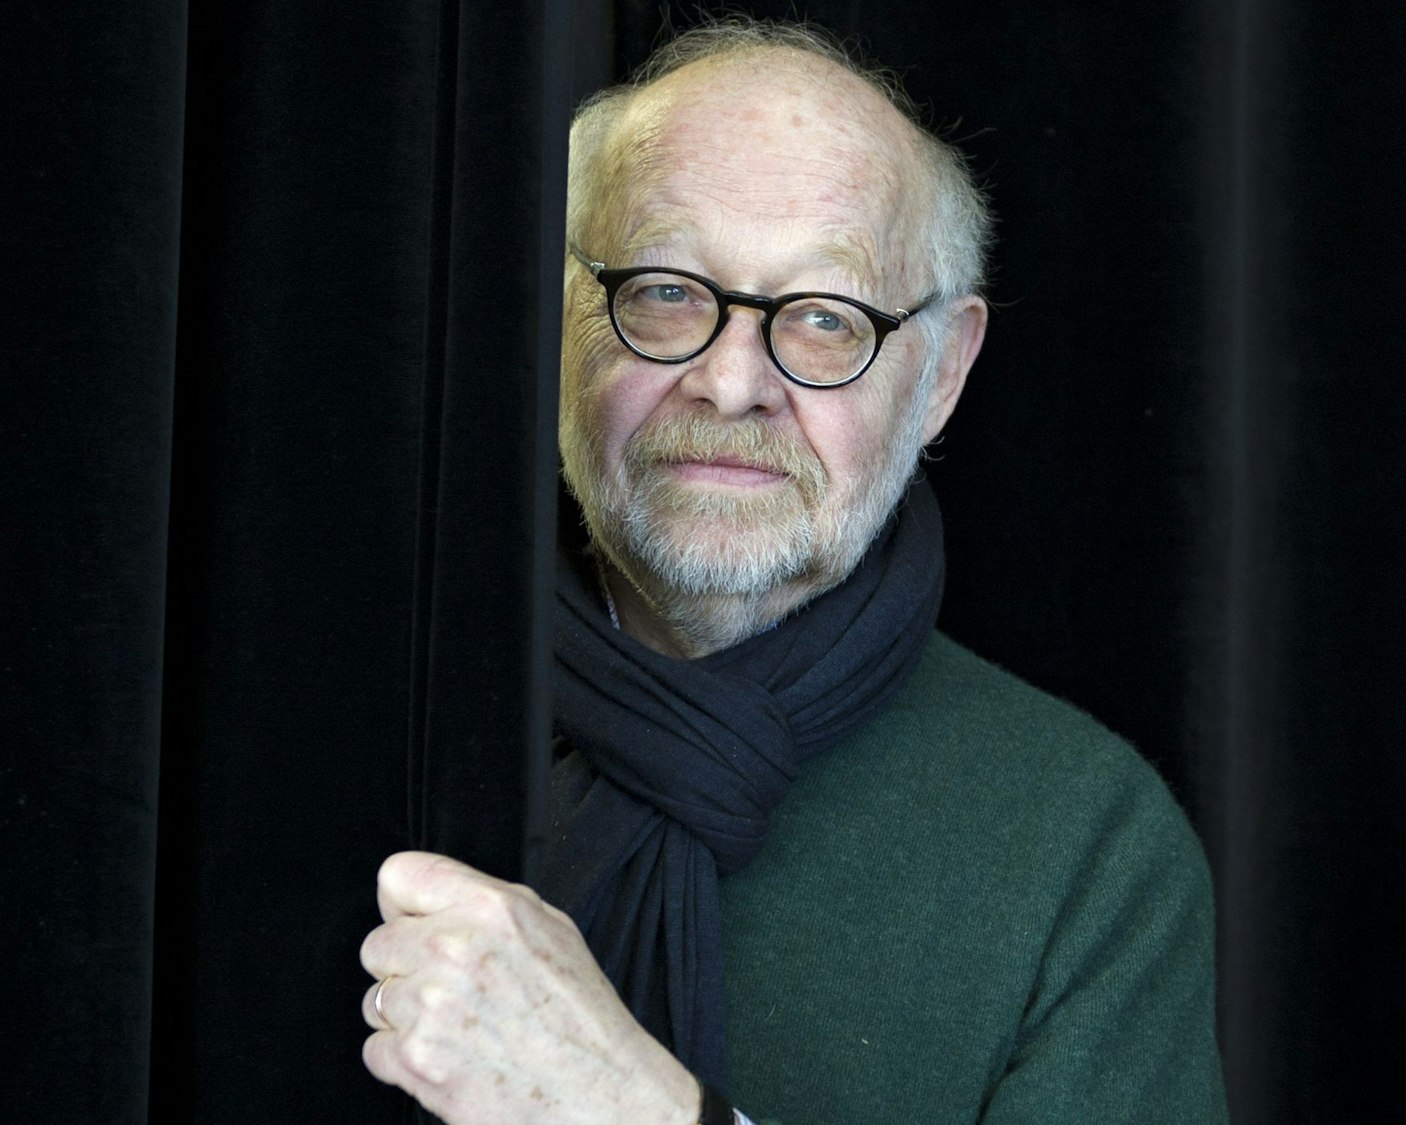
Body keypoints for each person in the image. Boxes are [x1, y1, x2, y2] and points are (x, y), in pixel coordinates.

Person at [356, 19, 1225, 1124]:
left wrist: (626, 1109)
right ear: (558, 311)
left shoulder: (1086, 852)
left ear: (942, 374)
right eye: (665, 290)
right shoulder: (354, 716)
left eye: (822, 319)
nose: (729, 383)